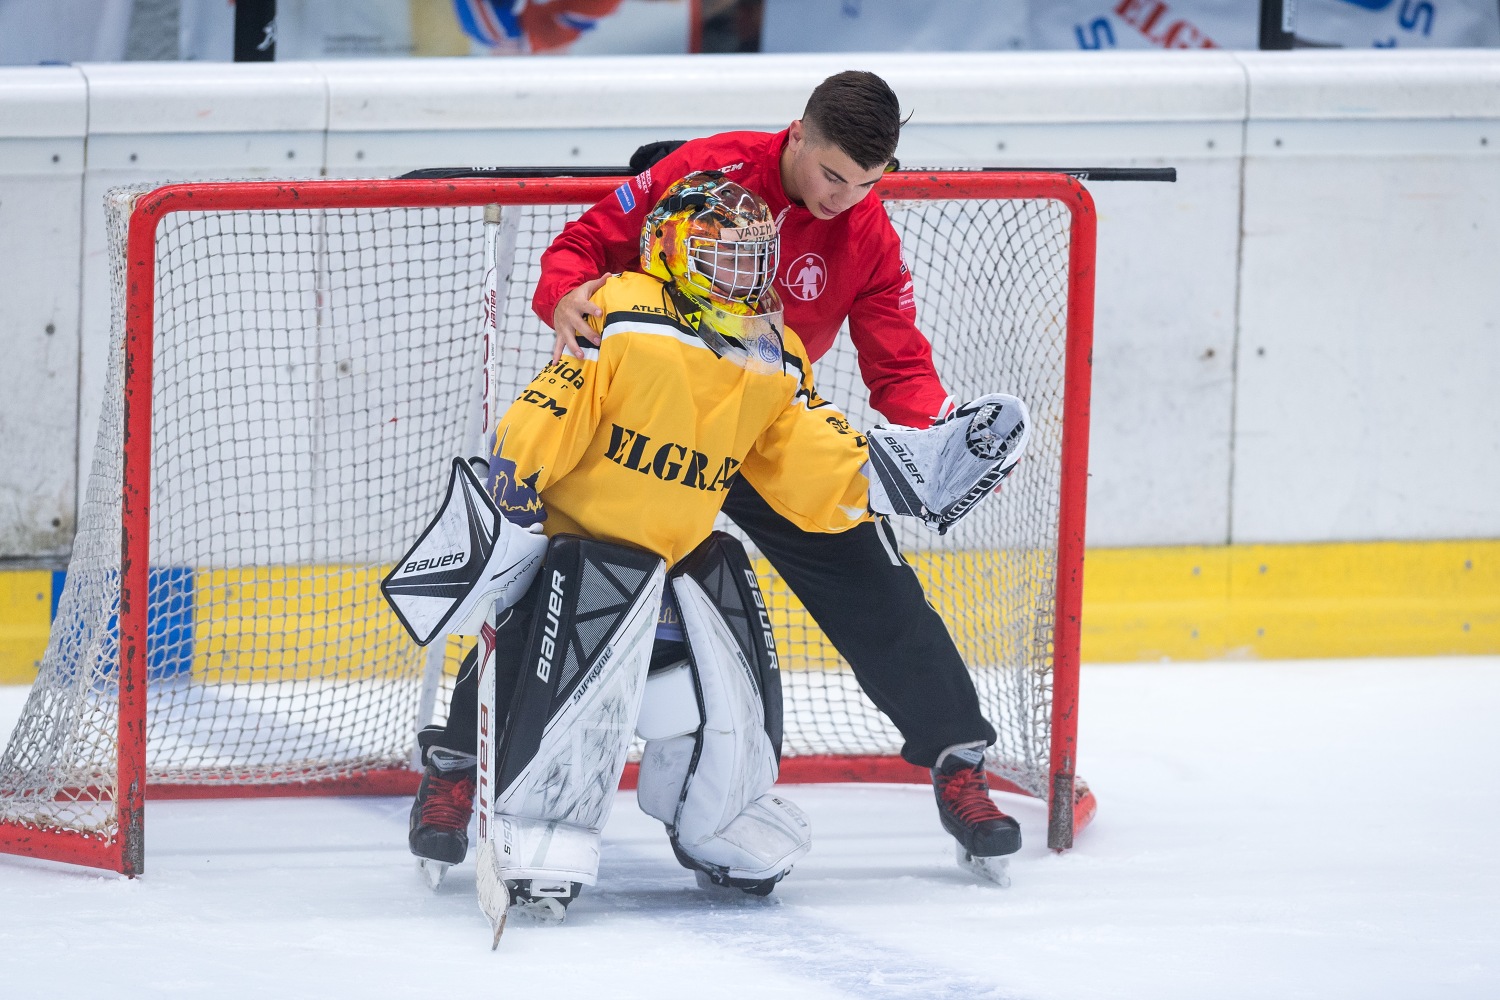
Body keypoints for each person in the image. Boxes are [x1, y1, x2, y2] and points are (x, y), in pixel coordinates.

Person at [534, 70, 1024, 868]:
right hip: (653, 423)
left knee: (873, 578)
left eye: (867, 183)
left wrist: (931, 430)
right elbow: (581, 245)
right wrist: (565, 293)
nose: (845, 197)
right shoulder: (708, 170)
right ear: (797, 133)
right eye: (833, 174)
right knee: (552, 572)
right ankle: (456, 761)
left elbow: (897, 362)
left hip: (765, 429)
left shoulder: (867, 231)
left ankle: (958, 760)